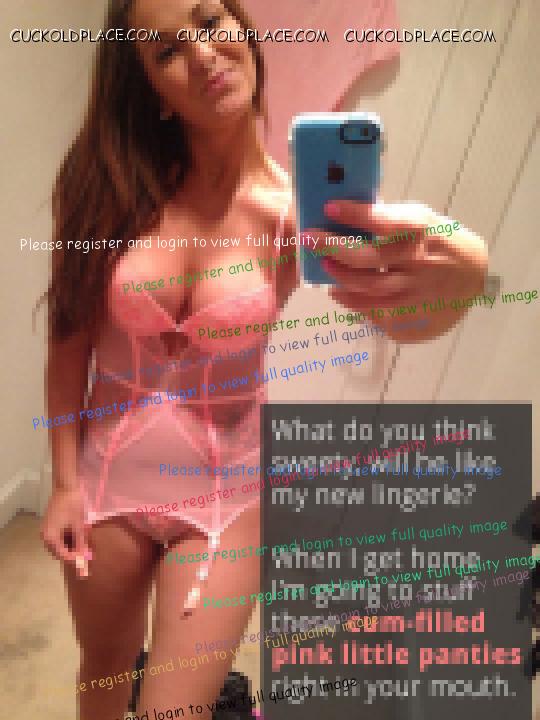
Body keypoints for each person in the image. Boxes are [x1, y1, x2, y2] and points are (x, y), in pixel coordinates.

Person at [41, 0, 488, 718]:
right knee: (101, 673)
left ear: (244, 34)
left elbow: (401, 316)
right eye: (167, 51)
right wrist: (64, 483)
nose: (203, 53)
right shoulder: (106, 191)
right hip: (104, 483)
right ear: (151, 90)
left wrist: (465, 274)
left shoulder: (296, 213)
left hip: (226, 500)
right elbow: (67, 343)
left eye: (210, 21)